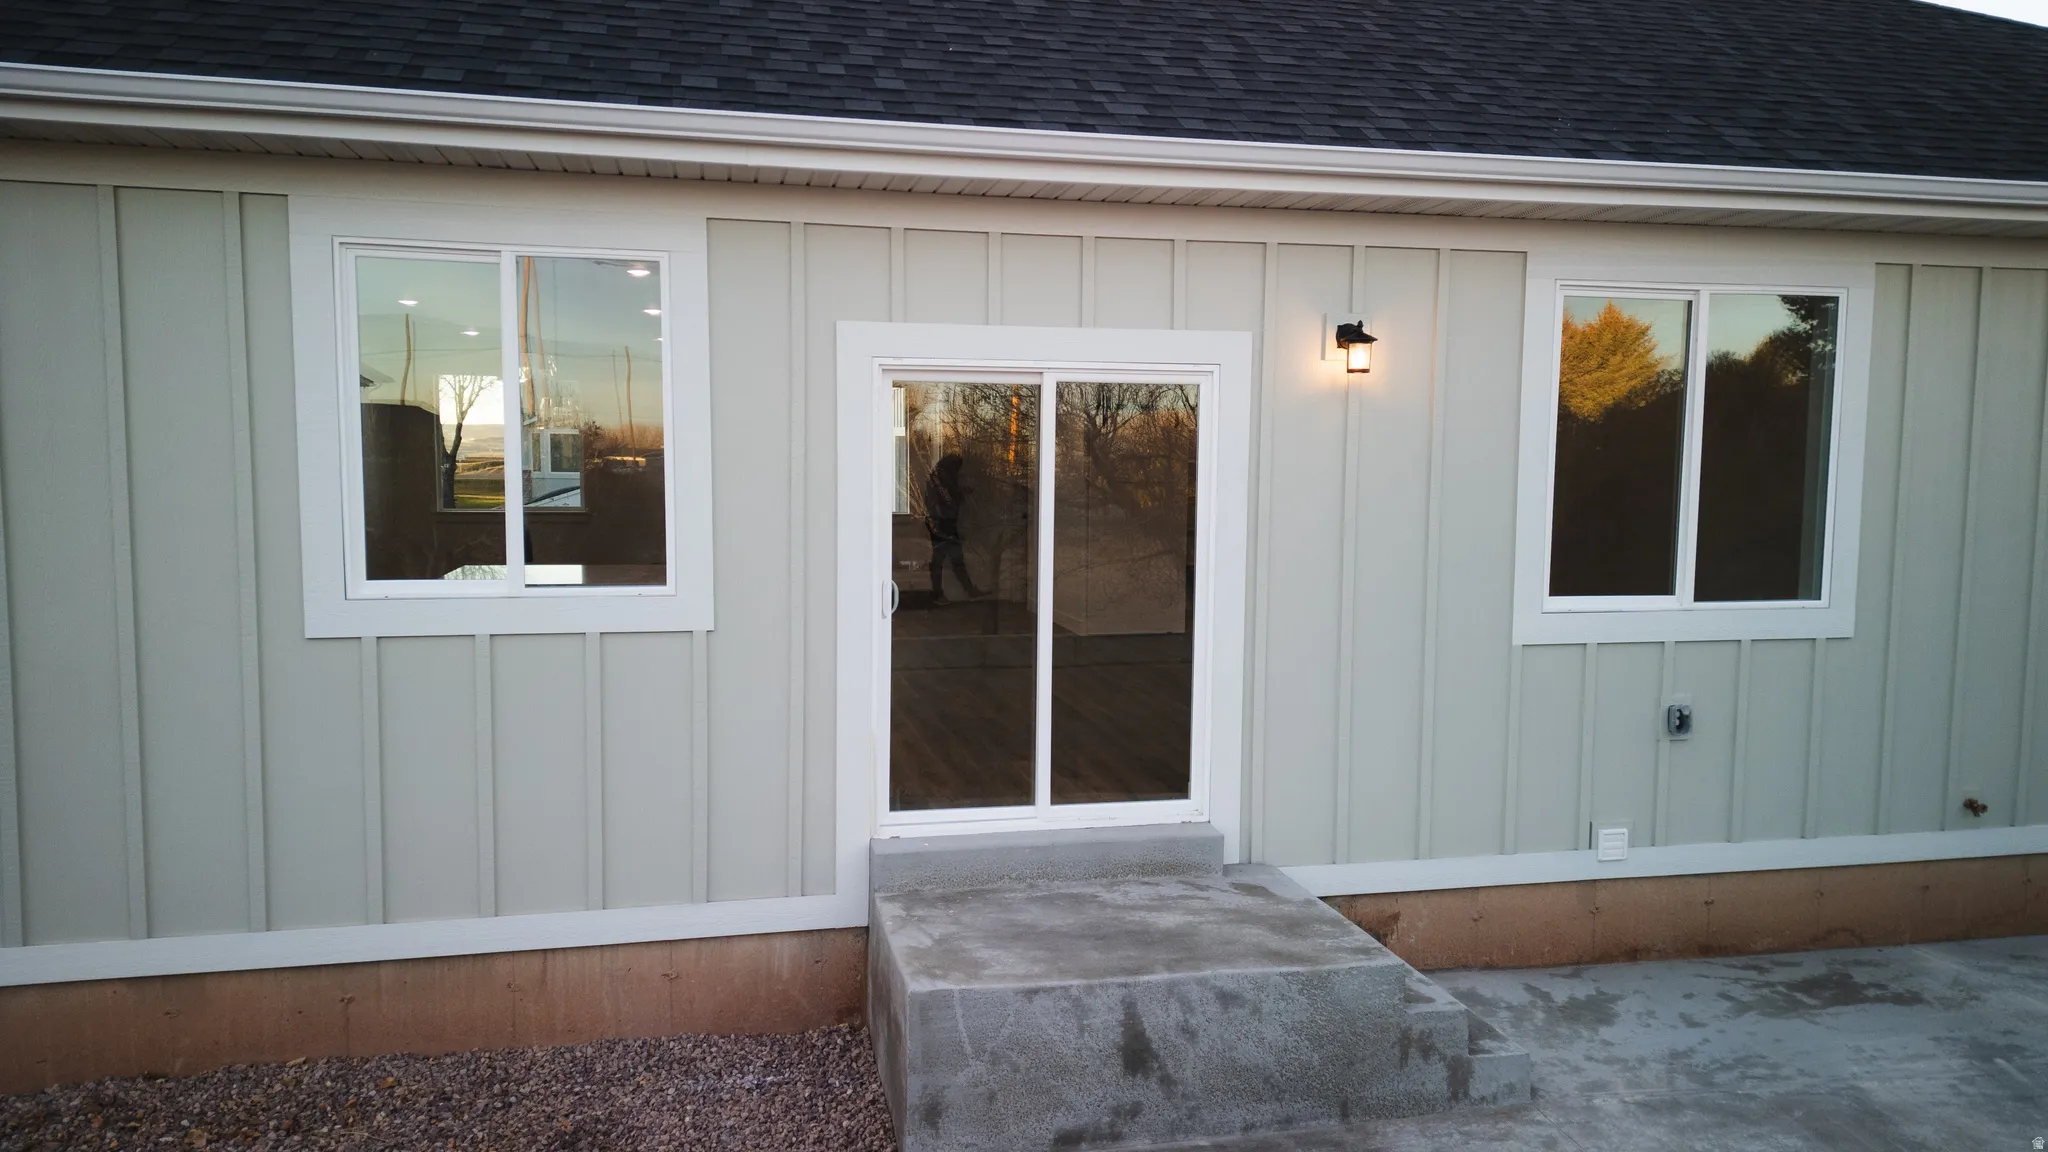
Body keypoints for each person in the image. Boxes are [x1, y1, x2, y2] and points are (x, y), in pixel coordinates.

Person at [923, 452, 988, 605]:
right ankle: (941, 594)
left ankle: (956, 591)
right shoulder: (940, 480)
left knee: (950, 559)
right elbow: (947, 501)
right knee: (944, 559)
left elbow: (947, 497)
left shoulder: (938, 478)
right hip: (942, 524)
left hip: (941, 523)